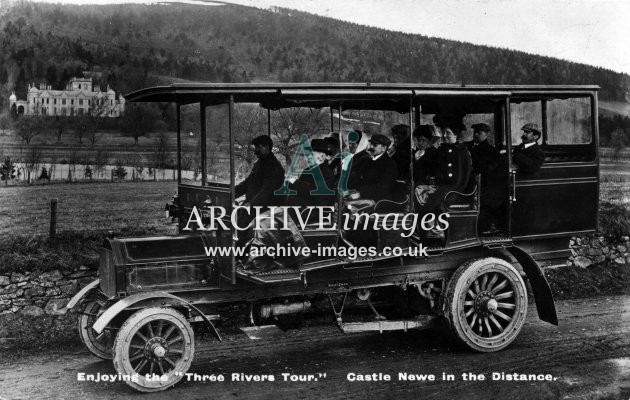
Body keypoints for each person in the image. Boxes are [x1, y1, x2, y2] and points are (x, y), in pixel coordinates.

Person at [415, 127, 472, 213]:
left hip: (456, 190)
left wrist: (444, 190)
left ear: (456, 135)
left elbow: (462, 180)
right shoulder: (441, 150)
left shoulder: (462, 152)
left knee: (435, 203)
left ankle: (434, 224)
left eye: (448, 133)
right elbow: (431, 166)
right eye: (444, 133)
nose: (444, 135)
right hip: (441, 187)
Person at [288, 136, 340, 207]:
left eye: (312, 155)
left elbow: (316, 193)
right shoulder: (308, 170)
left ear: (322, 157)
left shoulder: (327, 173)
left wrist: (295, 182)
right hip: (298, 208)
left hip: (313, 212)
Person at [235, 135, 285, 208]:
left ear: (267, 148)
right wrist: (234, 192)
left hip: (265, 208)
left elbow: (267, 191)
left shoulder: (274, 167)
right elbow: (248, 182)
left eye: (259, 147)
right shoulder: (260, 163)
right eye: (256, 147)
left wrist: (251, 204)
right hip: (253, 204)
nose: (256, 151)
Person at [348, 134, 398, 202]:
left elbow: (384, 187)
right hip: (365, 197)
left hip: (381, 201)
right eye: (371, 144)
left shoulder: (389, 164)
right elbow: (359, 178)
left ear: (384, 148)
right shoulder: (367, 161)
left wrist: (361, 193)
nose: (370, 147)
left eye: (374, 145)